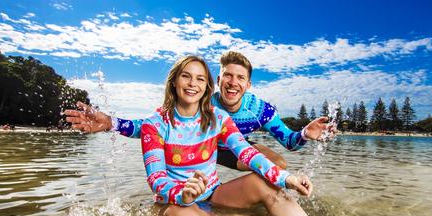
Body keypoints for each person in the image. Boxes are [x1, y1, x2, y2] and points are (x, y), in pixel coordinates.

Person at [65, 55, 389, 216]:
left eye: (199, 80)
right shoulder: (157, 123)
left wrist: (285, 177)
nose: (193, 84)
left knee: (270, 176)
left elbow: (248, 153)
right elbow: (155, 174)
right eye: (187, 78)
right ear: (176, 82)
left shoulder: (229, 115)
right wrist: (111, 123)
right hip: (181, 196)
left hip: (217, 178)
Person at [65, 51, 332, 171]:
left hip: (230, 151)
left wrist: (305, 134)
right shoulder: (200, 102)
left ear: (249, 84)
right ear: (218, 79)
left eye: (240, 78)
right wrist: (110, 122)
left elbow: (289, 143)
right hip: (191, 151)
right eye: (228, 76)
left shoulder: (260, 111)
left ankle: (256, 207)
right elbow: (150, 127)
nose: (233, 83)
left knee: (279, 164)